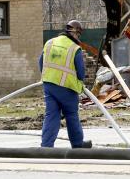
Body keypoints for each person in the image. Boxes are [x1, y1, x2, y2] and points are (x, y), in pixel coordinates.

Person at [39, 19, 91, 148]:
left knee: (51, 115)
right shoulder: (75, 48)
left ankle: (46, 146)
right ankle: (78, 144)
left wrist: (48, 77)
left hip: (49, 85)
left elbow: (41, 62)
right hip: (67, 88)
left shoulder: (50, 43)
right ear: (76, 34)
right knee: (71, 115)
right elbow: (80, 72)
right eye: (78, 35)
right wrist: (79, 84)